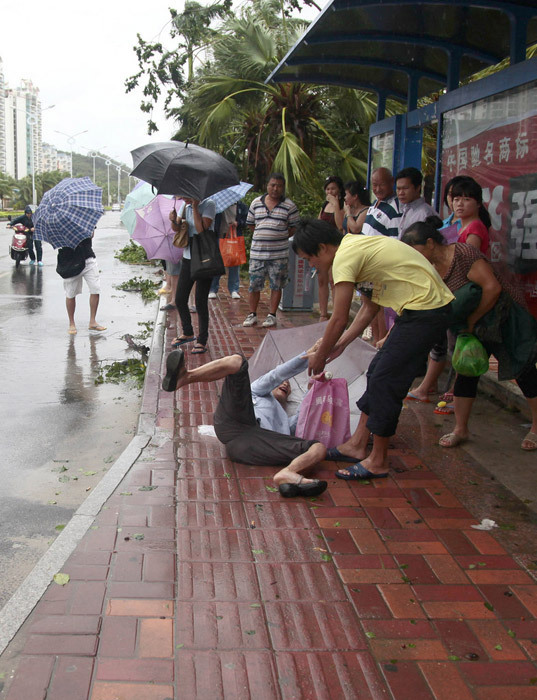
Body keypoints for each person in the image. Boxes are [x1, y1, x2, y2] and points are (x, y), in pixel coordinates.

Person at [292, 218, 454, 480]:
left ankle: (378, 459)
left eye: (309, 259)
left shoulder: (345, 256)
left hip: (426, 310)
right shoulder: (354, 248)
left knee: (385, 379)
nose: (311, 265)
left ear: (322, 248)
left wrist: (321, 356)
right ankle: (357, 444)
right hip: (419, 311)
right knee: (377, 370)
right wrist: (341, 345)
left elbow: (339, 318)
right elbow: (369, 307)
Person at [402, 217, 537, 452]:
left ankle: (536, 427)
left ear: (431, 243)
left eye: (416, 249)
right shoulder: (429, 268)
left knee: (524, 371)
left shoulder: (463, 254)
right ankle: (460, 429)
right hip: (471, 328)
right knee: (466, 370)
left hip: (504, 318)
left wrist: (473, 320)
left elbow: (492, 288)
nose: (413, 256)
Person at [161, 345, 328, 497]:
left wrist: (314, 388)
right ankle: (186, 377)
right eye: (282, 383)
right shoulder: (256, 392)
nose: (285, 384)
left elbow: (304, 415)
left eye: (288, 386)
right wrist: (308, 355)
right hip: (235, 425)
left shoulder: (286, 421)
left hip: (253, 446)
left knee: (318, 448)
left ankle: (288, 474)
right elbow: (278, 375)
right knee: (237, 362)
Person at [243, 173, 299, 328]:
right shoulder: (256, 203)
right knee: (254, 285)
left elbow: (293, 227)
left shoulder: (290, 206)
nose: (275, 188)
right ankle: (252, 314)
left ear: (283, 187)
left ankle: (271, 315)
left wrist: (279, 236)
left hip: (279, 254)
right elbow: (251, 224)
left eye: (279, 185)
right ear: (267, 185)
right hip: (257, 253)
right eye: (272, 185)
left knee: (276, 284)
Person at [172, 197, 216, 354]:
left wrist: (196, 208)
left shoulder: (209, 204)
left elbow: (201, 229)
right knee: (180, 299)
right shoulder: (185, 205)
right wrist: (174, 220)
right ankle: (188, 331)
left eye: (184, 193)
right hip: (188, 257)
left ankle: (202, 340)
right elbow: (177, 230)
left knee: (200, 301)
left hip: (204, 258)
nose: (181, 196)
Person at [56, 232, 106, 335]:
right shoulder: (60, 223)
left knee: (95, 288)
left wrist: (89, 233)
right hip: (70, 261)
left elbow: (91, 235)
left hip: (88, 257)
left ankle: (93, 321)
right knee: (70, 293)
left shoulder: (84, 218)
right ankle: (71, 323)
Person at [316, 176, 345, 321]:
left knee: (334, 280)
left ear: (339, 189)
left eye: (333, 188)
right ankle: (323, 313)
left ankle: (336, 313)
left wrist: (336, 204)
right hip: (323, 247)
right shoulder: (324, 205)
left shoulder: (343, 204)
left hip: (337, 246)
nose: (330, 191)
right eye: (328, 188)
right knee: (322, 280)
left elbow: (340, 225)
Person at [209, 203, 243, 300]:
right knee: (217, 264)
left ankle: (234, 289)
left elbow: (246, 221)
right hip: (219, 237)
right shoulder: (218, 205)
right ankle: (212, 289)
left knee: (234, 264)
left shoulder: (240, 206)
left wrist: (238, 223)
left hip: (233, 238)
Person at [450, 176, 491, 254]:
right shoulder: (465, 227)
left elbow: (469, 260)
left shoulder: (475, 227)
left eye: (466, 199)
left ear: (478, 203)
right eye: (456, 199)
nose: (459, 204)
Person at [395, 167, 437, 237]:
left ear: (418, 188)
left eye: (405, 188)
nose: (401, 193)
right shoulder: (406, 209)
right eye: (398, 189)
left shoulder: (425, 213)